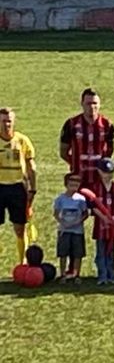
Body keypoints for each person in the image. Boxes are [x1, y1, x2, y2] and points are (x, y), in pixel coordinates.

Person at [0, 107, 37, 268]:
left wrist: (32, 188)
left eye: (9, 121)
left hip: (17, 188)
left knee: (20, 227)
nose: (6, 124)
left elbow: (31, 166)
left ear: (13, 122)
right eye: (3, 121)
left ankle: (23, 262)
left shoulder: (22, 141)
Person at [60, 88, 114, 191]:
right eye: (88, 103)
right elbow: (63, 151)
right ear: (82, 104)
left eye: (95, 103)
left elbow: (110, 150)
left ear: (99, 105)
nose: (92, 107)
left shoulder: (107, 125)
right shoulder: (71, 124)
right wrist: (76, 163)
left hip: (100, 178)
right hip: (78, 178)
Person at [92, 158, 114, 285]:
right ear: (99, 171)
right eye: (105, 172)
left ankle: (112, 274)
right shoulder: (95, 188)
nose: (108, 175)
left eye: (110, 172)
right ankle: (102, 275)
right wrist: (103, 217)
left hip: (113, 226)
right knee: (101, 251)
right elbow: (93, 206)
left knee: (111, 251)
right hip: (100, 226)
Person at [53, 173, 89, 282]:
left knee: (78, 253)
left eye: (76, 185)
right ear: (66, 185)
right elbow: (56, 213)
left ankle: (76, 274)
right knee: (63, 253)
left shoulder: (81, 199)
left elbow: (85, 213)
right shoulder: (60, 199)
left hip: (77, 231)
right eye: (71, 185)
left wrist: (78, 221)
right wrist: (62, 222)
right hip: (64, 230)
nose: (73, 188)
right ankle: (63, 274)